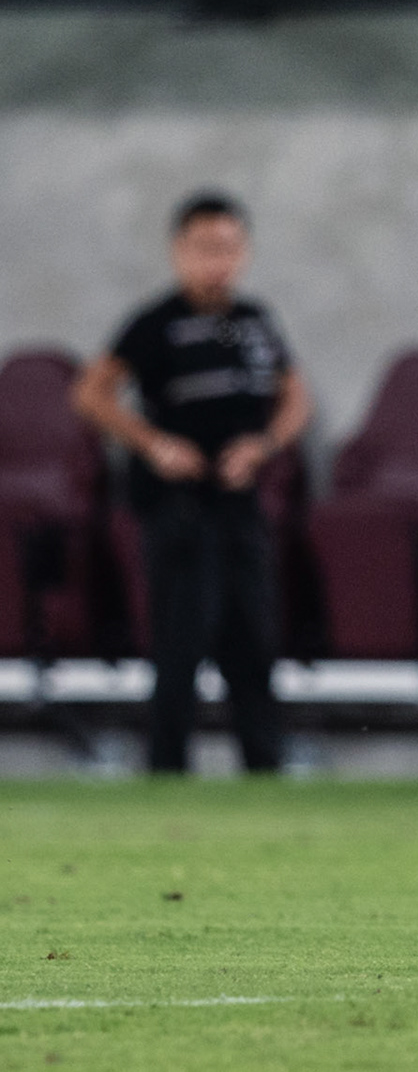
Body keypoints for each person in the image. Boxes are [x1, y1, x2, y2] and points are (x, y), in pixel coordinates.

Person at [71, 194, 309, 775]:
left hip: (238, 501)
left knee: (252, 639)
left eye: (228, 248)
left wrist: (264, 445)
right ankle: (168, 767)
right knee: (181, 640)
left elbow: (296, 395)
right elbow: (91, 392)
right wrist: (155, 445)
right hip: (177, 509)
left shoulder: (255, 321)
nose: (217, 262)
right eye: (204, 249)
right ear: (179, 252)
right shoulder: (156, 324)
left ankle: (264, 767)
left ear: (245, 253)